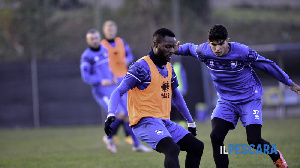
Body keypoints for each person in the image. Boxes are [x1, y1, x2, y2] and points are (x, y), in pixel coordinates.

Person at [174, 24, 300, 168]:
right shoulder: (204, 51)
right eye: (213, 45)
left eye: (221, 44)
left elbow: (267, 65)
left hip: (249, 100)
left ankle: (275, 155)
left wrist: (289, 82)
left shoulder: (243, 52)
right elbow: (190, 48)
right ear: (209, 43)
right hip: (226, 102)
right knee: (216, 137)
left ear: (228, 41)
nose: (217, 49)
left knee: (254, 141)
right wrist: (178, 50)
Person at [105, 28, 204, 168]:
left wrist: (190, 121)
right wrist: (110, 113)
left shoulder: (169, 67)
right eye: (167, 46)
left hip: (163, 121)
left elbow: (176, 95)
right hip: (144, 122)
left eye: (173, 46)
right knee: (172, 149)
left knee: (197, 146)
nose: (171, 50)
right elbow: (118, 91)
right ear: (156, 44)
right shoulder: (141, 67)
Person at [80, 29, 151, 153]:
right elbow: (86, 76)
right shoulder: (86, 56)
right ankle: (108, 137)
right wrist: (100, 80)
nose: (95, 40)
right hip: (101, 91)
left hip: (113, 87)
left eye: (96, 38)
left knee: (129, 114)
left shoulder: (104, 50)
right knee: (119, 113)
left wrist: (112, 76)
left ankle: (136, 145)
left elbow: (108, 67)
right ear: (87, 40)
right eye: (92, 39)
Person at [100, 20, 134, 144]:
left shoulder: (122, 42)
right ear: (104, 31)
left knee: (128, 111)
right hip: (112, 82)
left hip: (124, 79)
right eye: (108, 29)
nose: (110, 31)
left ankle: (127, 136)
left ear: (116, 30)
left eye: (112, 29)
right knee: (119, 112)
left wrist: (127, 60)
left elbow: (130, 56)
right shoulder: (101, 45)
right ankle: (111, 135)